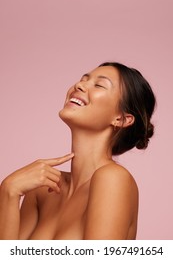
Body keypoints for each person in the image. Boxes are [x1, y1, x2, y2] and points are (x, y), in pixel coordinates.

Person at [0, 62, 156, 240]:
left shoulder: (113, 178)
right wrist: (9, 191)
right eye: (83, 79)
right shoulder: (42, 189)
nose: (79, 85)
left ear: (121, 119)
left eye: (99, 85)